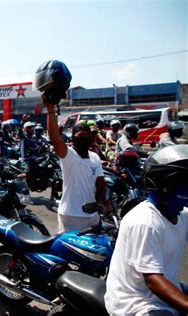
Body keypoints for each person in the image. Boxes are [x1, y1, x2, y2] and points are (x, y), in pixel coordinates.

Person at [105, 145, 188, 315]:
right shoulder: (145, 222)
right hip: (136, 303)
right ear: (165, 183)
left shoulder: (179, 213)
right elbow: (153, 280)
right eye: (184, 180)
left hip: (164, 286)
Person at [35, 60, 111, 233]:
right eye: (79, 136)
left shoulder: (95, 157)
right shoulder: (68, 155)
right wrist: (50, 109)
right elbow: (55, 138)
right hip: (71, 216)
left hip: (93, 215)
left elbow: (100, 184)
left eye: (87, 136)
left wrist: (106, 203)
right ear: (73, 138)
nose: (84, 139)